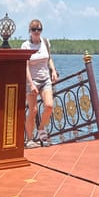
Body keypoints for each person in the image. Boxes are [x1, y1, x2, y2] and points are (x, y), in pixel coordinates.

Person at [21, 19, 58, 148]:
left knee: (49, 106)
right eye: (34, 30)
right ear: (30, 31)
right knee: (33, 110)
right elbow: (25, 66)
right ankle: (30, 139)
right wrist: (31, 84)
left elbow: (49, 58)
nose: (36, 32)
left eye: (39, 29)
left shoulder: (45, 42)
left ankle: (41, 129)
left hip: (45, 79)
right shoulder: (25, 46)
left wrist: (53, 70)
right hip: (32, 81)